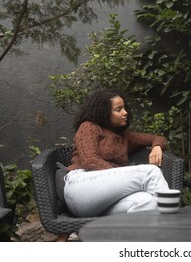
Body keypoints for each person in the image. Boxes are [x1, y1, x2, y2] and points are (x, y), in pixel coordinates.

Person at [64, 89, 169, 217]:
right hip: (80, 189)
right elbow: (90, 161)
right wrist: (123, 175)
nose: (125, 113)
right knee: (151, 172)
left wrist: (157, 146)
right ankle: (171, 226)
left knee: (147, 201)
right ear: (104, 112)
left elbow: (158, 138)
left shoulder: (124, 136)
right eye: (118, 110)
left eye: (124, 108)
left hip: (103, 201)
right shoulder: (89, 127)